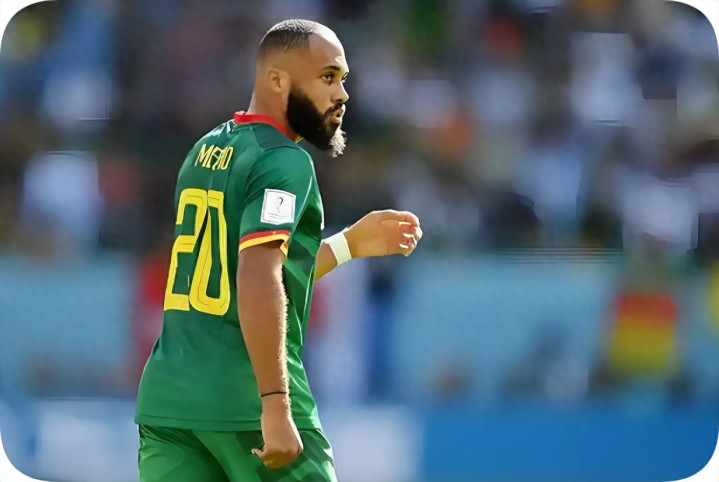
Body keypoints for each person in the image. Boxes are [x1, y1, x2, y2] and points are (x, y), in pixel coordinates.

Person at [135, 19, 422, 482]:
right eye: (327, 77)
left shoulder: (204, 150)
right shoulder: (284, 160)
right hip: (245, 400)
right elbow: (257, 275)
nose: (342, 94)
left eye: (343, 79)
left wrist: (347, 246)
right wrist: (274, 402)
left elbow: (239, 275)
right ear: (277, 80)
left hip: (169, 406)